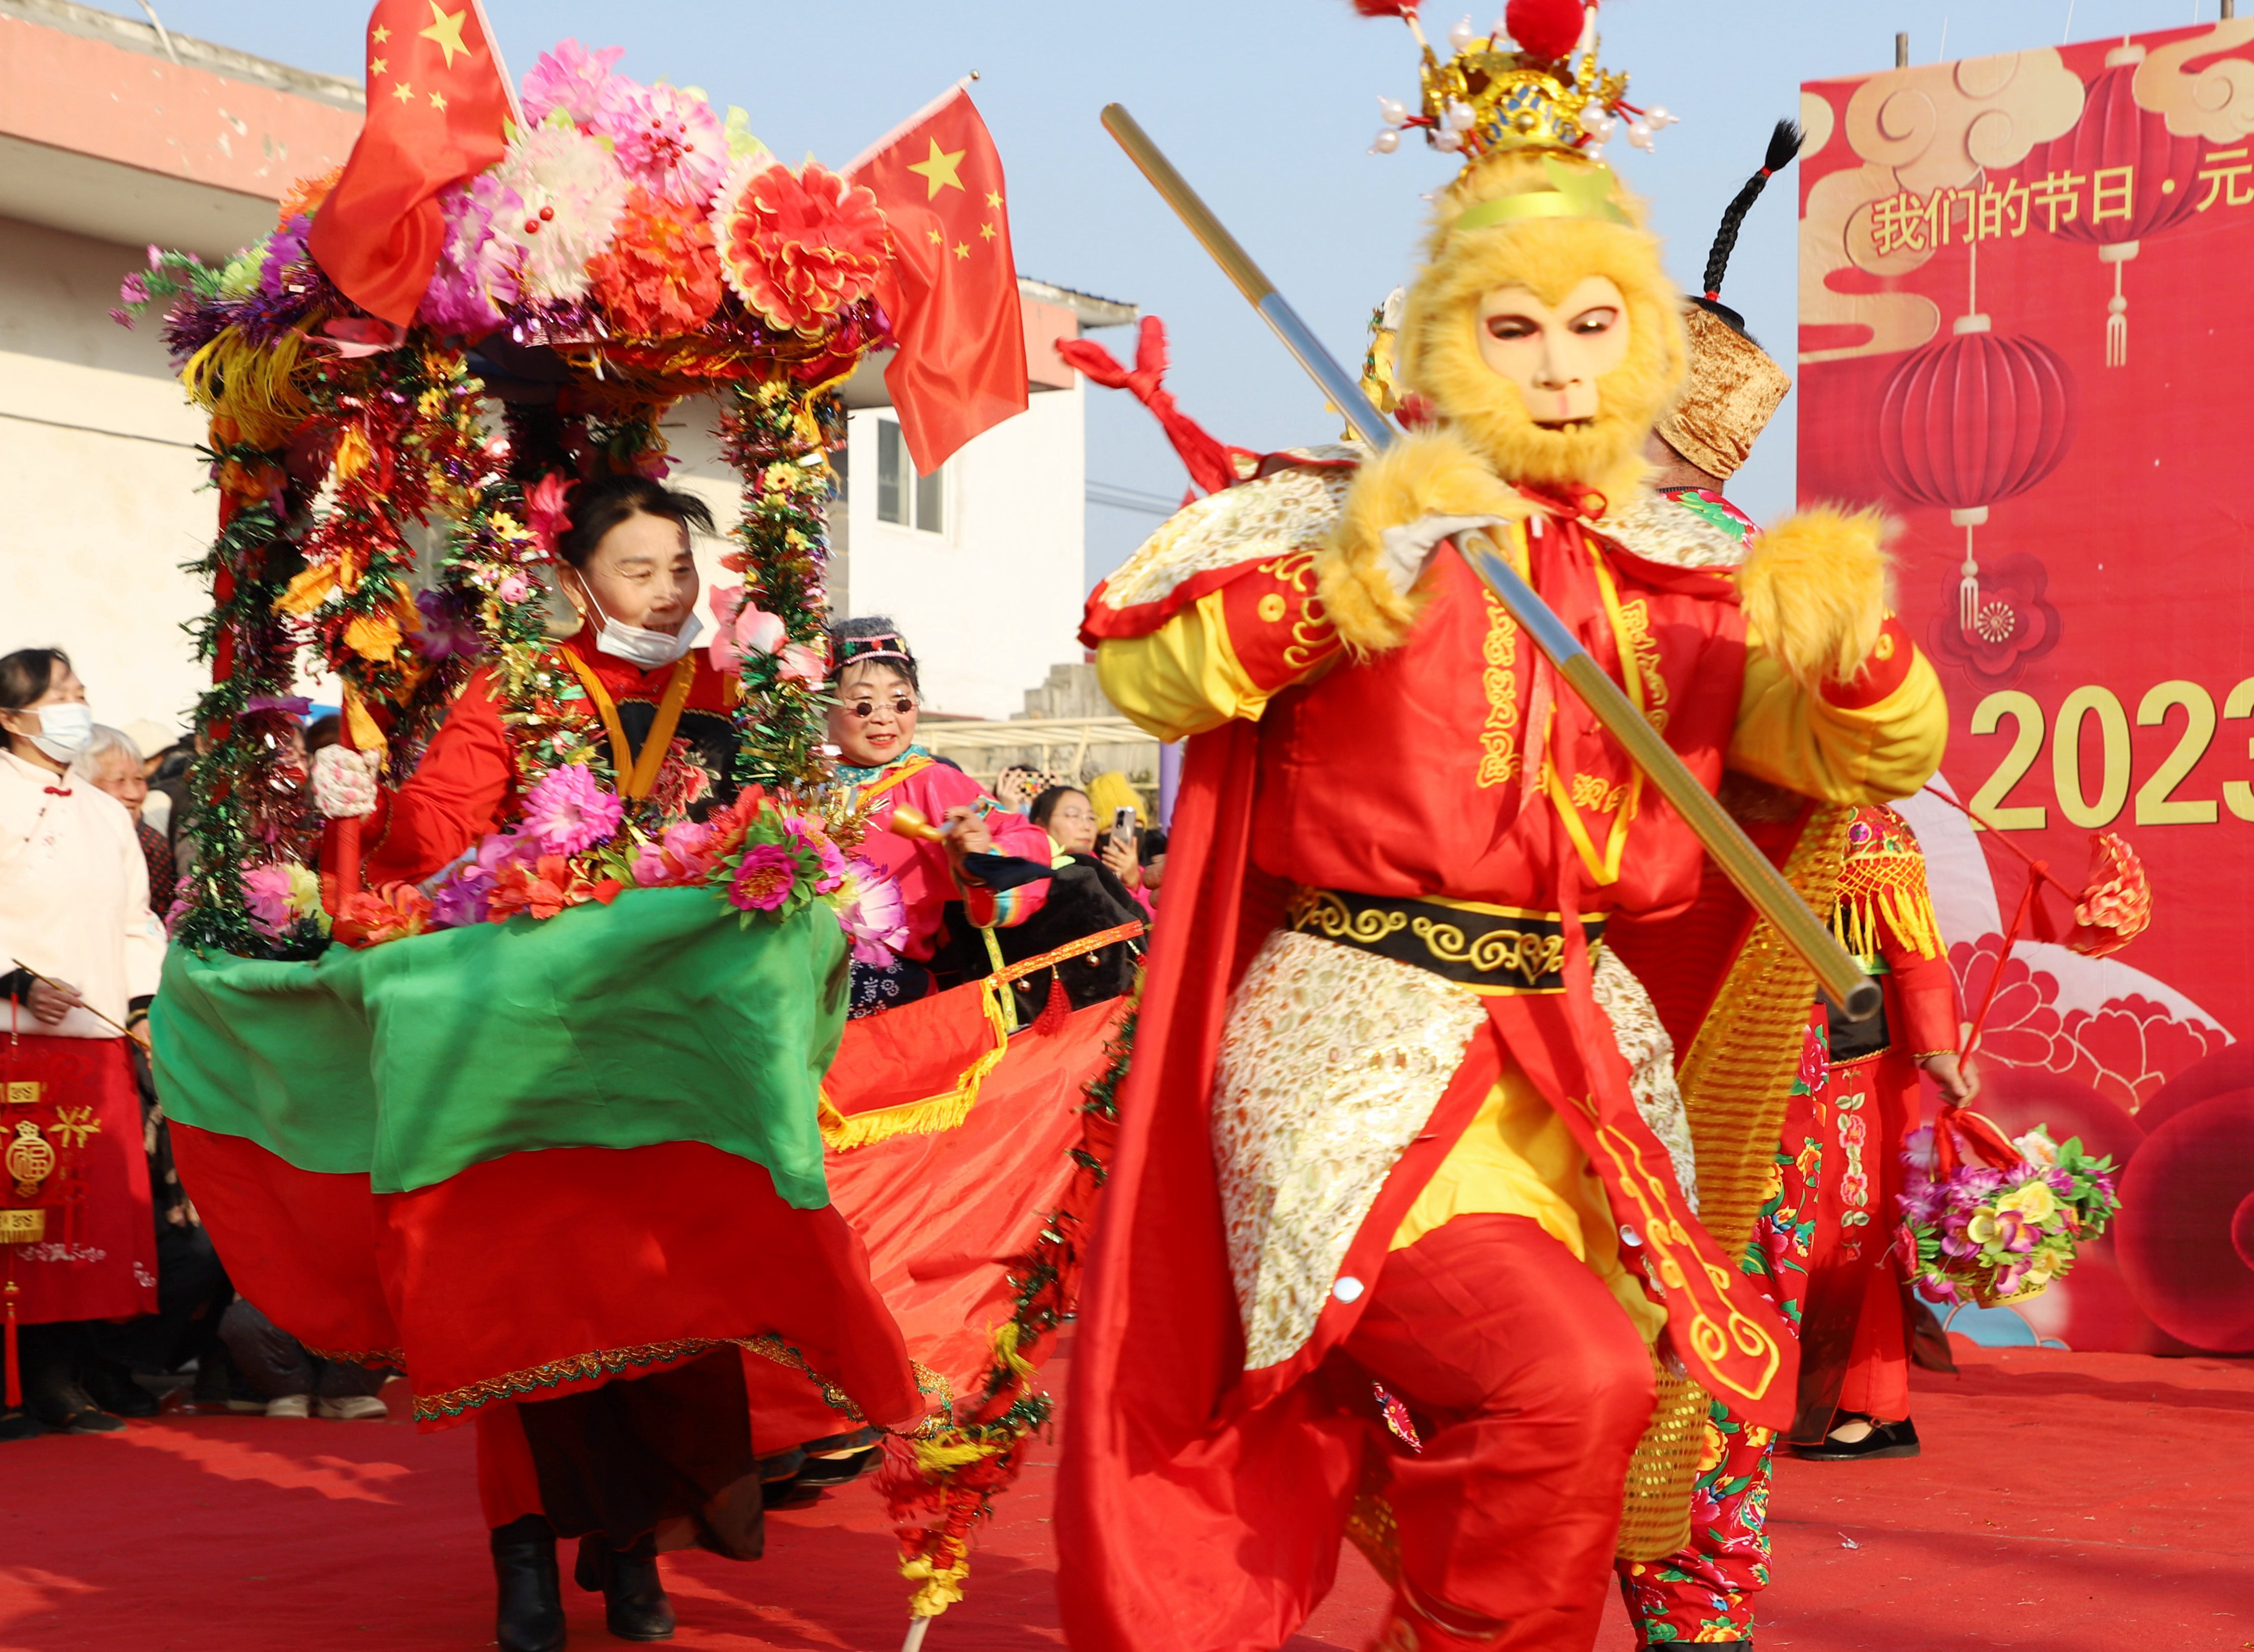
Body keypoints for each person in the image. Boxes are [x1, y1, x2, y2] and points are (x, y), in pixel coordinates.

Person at [1057, 27, 1947, 1650]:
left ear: (1642, 346)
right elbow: (1148, 662)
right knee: (1571, 1375)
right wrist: (1354, 571)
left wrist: (1857, 649)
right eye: (1515, 326)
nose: (1555, 365)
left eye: (1592, 327)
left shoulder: (1676, 566)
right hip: (1359, 1036)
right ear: (1448, 338)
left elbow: (1846, 755)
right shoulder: (1343, 504)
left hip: (1588, 1052)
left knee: (1595, 1420)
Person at [309, 474, 921, 1652]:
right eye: (641, 569)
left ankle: (637, 1547)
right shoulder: (524, 682)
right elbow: (440, 821)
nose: (668, 589)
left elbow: (786, 819)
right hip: (536, 1037)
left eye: (681, 568)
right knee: (528, 1301)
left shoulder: (733, 682)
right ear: (577, 574)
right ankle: (524, 1560)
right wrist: (366, 806)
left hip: (679, 1050)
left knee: (668, 1294)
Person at [1604, 122, 1969, 1651]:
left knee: (1678, 1334)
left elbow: (1874, 778)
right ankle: (1680, 1605)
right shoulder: (1532, 561)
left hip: (1705, 1024)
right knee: (1686, 1336)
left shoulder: (1747, 586)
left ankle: (1650, 1597)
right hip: (1614, 1008)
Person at [0, 649, 165, 1438]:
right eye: (60, 694)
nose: (76, 704)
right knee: (15, 1214)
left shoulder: (106, 813)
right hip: (14, 1040)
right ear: (10, 716)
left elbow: (137, 921)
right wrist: (15, 980)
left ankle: (60, 1378)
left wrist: (140, 1005)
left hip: (94, 1042)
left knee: (80, 1220)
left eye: (81, 691)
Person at [824, 617, 1053, 1016]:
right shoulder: (798, 781)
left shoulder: (931, 782)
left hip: (884, 982)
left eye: (900, 702)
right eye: (863, 705)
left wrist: (982, 852)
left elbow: (1027, 841)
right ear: (823, 706)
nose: (883, 717)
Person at [75, 725, 174, 917]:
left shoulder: (150, 846)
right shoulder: (51, 838)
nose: (134, 794)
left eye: (139, 779)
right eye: (118, 780)